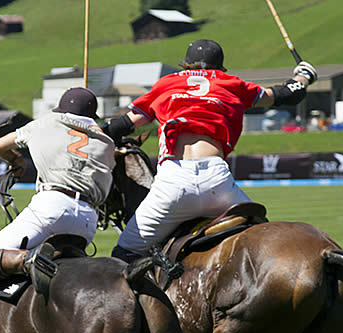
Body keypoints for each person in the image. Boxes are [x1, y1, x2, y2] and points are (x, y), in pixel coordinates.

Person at [104, 39, 317, 263]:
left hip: (173, 182)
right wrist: (303, 76)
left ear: (186, 65)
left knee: (124, 254)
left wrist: (93, 128)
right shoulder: (231, 83)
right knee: (265, 246)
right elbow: (286, 94)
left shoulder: (165, 84)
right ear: (220, 67)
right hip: (218, 183)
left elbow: (122, 125)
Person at [0, 87, 116, 281]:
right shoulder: (106, 142)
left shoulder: (45, 123)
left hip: (52, 208)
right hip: (87, 221)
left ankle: (30, 260)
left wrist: (17, 161)